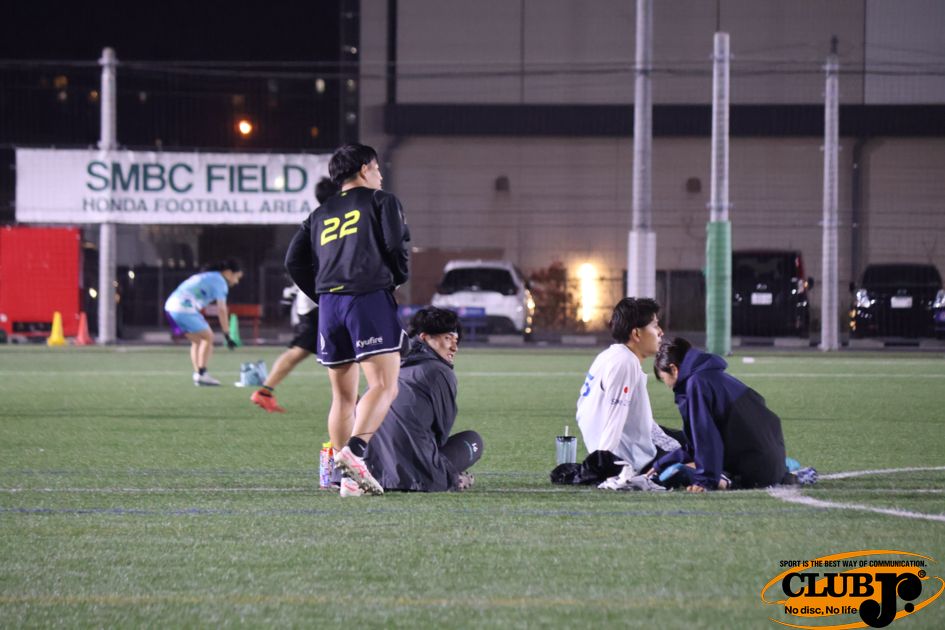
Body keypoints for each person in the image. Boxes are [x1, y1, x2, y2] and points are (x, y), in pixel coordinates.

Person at [285, 143, 410, 496]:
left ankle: (347, 481)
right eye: (377, 167)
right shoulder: (381, 200)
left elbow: (293, 261)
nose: (380, 174)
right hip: (366, 298)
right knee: (385, 385)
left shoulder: (320, 213)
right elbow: (395, 245)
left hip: (330, 306)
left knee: (342, 397)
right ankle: (355, 452)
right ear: (364, 168)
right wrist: (398, 277)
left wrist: (321, 293)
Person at [340, 307, 482, 497]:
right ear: (424, 337)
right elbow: (441, 433)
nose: (454, 347)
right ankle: (451, 478)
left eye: (456, 341)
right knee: (474, 441)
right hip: (415, 477)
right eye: (448, 338)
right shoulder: (440, 371)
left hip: (365, 470)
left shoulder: (389, 363)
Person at [649, 336, 790, 492]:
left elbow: (706, 439)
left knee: (686, 474)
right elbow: (695, 446)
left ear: (674, 369)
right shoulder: (713, 377)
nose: (667, 385)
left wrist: (704, 482)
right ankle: (724, 478)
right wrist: (660, 464)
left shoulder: (696, 384)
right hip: (774, 465)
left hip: (755, 472)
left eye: (663, 378)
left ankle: (726, 480)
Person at [251, 177, 340, 413]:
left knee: (310, 350)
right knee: (335, 350)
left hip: (315, 300)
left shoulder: (317, 220)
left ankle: (264, 391)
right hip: (319, 300)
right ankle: (352, 401)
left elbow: (297, 262)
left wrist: (292, 293)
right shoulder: (329, 221)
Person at [575, 297, 681, 478]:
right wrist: (603, 462)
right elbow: (615, 416)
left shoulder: (609, 355)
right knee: (701, 455)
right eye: (655, 326)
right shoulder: (626, 362)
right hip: (632, 457)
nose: (660, 332)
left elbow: (583, 409)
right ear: (636, 334)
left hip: (621, 444)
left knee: (691, 440)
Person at [164, 259, 243, 386]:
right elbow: (222, 309)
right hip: (183, 307)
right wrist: (227, 335)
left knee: (198, 341)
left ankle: (199, 374)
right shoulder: (220, 281)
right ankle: (202, 374)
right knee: (208, 337)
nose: (236, 281)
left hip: (170, 307)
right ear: (228, 273)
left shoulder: (209, 276)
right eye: (237, 277)